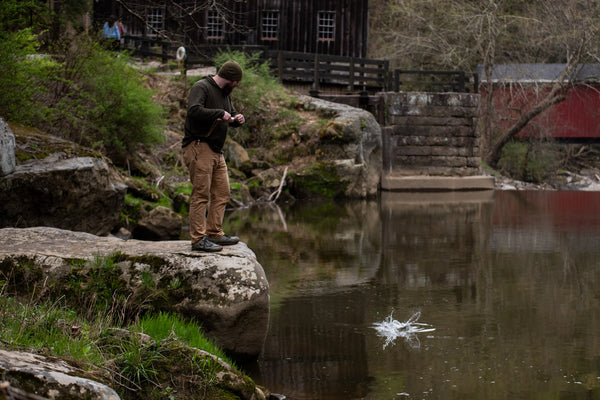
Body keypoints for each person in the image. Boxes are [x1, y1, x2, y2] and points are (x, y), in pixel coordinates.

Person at [182, 60, 246, 252]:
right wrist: (220, 113)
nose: (237, 85)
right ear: (229, 78)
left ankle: (214, 233)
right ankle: (197, 239)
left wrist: (237, 119)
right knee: (201, 194)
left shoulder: (225, 94)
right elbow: (193, 110)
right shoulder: (202, 87)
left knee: (222, 192)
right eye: (236, 82)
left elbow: (230, 114)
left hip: (217, 151)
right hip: (199, 147)